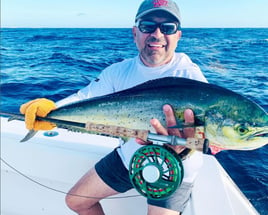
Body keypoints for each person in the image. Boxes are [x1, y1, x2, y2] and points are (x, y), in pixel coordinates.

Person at [20, 0, 207, 214]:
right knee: (77, 201)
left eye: (167, 28)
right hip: (129, 158)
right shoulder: (117, 72)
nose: (157, 34)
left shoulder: (192, 78)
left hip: (174, 168)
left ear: (178, 36)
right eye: (147, 26)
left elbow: (203, 138)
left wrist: (183, 149)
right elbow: (84, 97)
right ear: (134, 32)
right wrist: (50, 110)